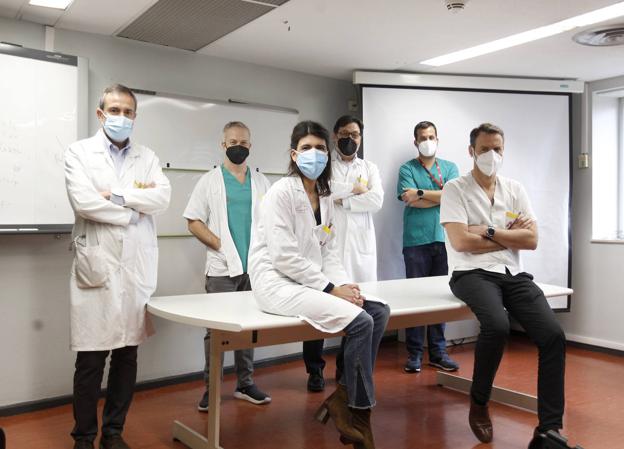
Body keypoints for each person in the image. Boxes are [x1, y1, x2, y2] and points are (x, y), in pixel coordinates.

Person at [249, 121, 390, 449]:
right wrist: (330, 290)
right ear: (295, 154)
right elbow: (284, 257)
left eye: (321, 148)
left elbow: (328, 251)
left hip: (309, 280)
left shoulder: (325, 196)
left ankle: (343, 396)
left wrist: (345, 286)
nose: (315, 154)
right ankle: (359, 411)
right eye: (307, 148)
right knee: (361, 322)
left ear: (328, 155)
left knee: (378, 311)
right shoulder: (280, 193)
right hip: (277, 281)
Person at [440, 123, 566, 448]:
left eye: (497, 149)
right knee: (496, 326)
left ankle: (549, 428)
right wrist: (509, 238)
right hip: (471, 273)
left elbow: (532, 240)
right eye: (484, 149)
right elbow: (460, 242)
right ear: (471, 151)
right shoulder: (456, 189)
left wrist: (489, 232)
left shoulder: (514, 189)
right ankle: (479, 402)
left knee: (553, 335)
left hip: (512, 273)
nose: (491, 155)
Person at [64, 84, 171, 449]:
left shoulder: (148, 156)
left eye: (128, 111)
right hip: (97, 266)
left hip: (134, 270)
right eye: (114, 109)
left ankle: (113, 432)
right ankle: (84, 436)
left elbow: (163, 197)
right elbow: (84, 203)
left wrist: (123, 196)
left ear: (135, 116)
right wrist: (131, 214)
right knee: (91, 361)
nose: (121, 117)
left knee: (127, 356)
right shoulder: (79, 153)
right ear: (100, 113)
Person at [184, 121, 272, 411]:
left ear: (250, 146)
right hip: (222, 269)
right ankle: (211, 389)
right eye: (233, 141)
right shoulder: (210, 180)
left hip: (255, 267)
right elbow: (193, 221)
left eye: (244, 143)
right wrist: (219, 244)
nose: (239, 147)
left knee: (248, 328)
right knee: (217, 331)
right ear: (223, 144)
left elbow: (273, 220)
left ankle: (245, 384)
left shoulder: (261, 182)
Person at [302, 115, 384, 392]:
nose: (351, 139)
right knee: (319, 308)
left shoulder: (370, 167)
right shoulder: (325, 165)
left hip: (360, 249)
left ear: (361, 138)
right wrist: (353, 191)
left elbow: (376, 200)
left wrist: (344, 200)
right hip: (329, 246)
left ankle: (344, 368)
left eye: (355, 134)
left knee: (360, 307)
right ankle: (314, 370)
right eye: (345, 134)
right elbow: (324, 190)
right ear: (335, 136)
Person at [397, 121, 460, 373]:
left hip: (444, 240)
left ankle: (438, 352)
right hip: (415, 241)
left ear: (438, 139)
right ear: (415, 142)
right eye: (423, 137)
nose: (427, 140)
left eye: (431, 136)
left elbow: (453, 197)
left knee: (439, 298)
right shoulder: (407, 168)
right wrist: (438, 196)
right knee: (415, 299)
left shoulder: (450, 167)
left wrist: (420, 193)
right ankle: (414, 354)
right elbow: (409, 200)